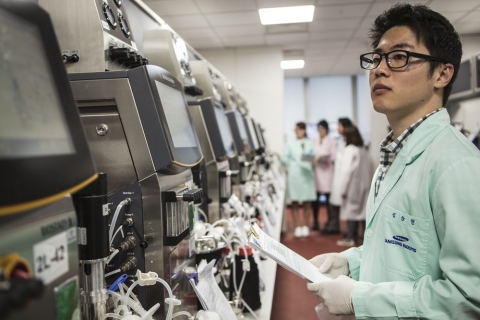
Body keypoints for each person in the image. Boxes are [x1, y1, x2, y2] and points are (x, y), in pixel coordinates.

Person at [306, 3, 480, 318]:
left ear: (442, 73)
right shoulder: (394, 153)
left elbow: (469, 298)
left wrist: (360, 298)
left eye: (399, 57)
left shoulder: (457, 165)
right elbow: (402, 252)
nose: (379, 69)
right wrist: (351, 262)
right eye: (377, 57)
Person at [335, 126, 371, 247]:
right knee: (362, 213)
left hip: (352, 187)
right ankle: (364, 238)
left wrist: (342, 189)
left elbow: (346, 171)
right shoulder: (362, 149)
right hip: (364, 186)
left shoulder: (350, 150)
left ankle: (349, 237)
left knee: (352, 212)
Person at [281, 122, 317, 238]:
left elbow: (312, 156)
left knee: (307, 201)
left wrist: (313, 160)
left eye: (300, 129)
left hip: (307, 174)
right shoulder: (290, 143)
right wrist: (282, 159)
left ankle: (305, 226)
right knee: (295, 202)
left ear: (304, 130)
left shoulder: (309, 143)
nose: (297, 132)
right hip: (295, 174)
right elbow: (284, 158)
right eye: (296, 130)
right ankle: (297, 227)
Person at [323, 118, 353, 235]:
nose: (338, 128)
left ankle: (351, 232)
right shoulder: (341, 142)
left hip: (345, 178)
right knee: (334, 203)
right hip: (338, 176)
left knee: (349, 206)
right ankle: (335, 226)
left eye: (339, 126)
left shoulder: (351, 145)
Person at [311, 120, 336, 231]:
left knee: (327, 200)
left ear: (326, 129)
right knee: (315, 200)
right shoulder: (314, 140)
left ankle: (329, 222)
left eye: (322, 129)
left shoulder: (331, 141)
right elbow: (310, 153)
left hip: (327, 173)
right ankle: (315, 222)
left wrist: (323, 158)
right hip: (316, 172)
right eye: (319, 129)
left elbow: (333, 157)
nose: (320, 131)